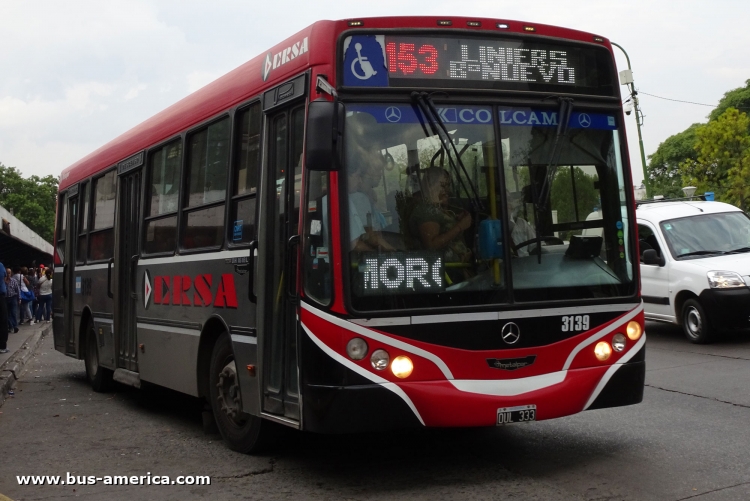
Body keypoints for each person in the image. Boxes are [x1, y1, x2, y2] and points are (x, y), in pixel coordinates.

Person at [409, 167, 473, 282]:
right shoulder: (426, 210)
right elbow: (432, 245)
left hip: (458, 269)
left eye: (448, 185)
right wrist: (460, 227)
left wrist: (455, 220)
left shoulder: (435, 208)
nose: (447, 190)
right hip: (446, 275)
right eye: (443, 186)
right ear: (429, 186)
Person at [507, 191, 537, 257]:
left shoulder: (522, 224)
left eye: (509, 199)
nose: (507, 203)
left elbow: (535, 246)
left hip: (525, 265)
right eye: (502, 200)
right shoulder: (488, 228)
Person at [6, 268, 19, 333]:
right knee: (7, 314)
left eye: (9, 273)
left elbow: (17, 290)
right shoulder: (3, 281)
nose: (8, 274)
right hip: (6, 299)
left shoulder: (14, 281)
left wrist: (19, 298)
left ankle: (15, 326)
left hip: (13, 297)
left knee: (13, 313)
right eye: (7, 273)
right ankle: (10, 326)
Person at [0, 260, 8, 354]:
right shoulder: (0, 265)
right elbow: (5, 277)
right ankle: (2, 346)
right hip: (0, 296)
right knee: (3, 320)